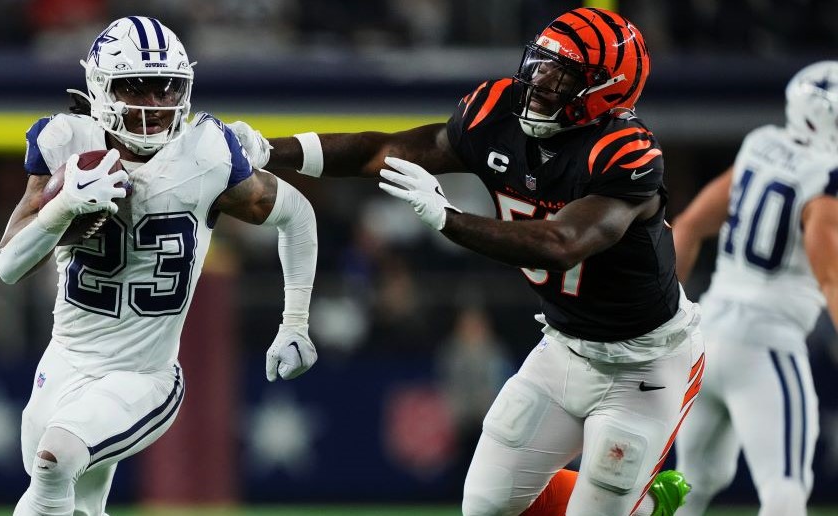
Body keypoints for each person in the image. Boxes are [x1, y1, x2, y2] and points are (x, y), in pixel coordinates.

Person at [231, 7, 698, 516]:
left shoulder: (626, 152)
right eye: (540, 64)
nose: (539, 82)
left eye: (562, 75)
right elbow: (382, 150)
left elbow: (563, 242)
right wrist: (267, 150)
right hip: (565, 346)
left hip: (645, 363)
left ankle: (647, 506)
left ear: (606, 91)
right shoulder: (497, 111)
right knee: (486, 505)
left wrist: (447, 219)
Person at [0, 17, 320, 516]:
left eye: (167, 88)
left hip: (143, 375)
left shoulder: (207, 154)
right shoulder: (66, 143)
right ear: (101, 88)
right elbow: (8, 265)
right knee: (78, 505)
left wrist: (295, 321)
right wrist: (64, 208)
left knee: (54, 461)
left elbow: (296, 213)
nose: (153, 104)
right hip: (63, 362)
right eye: (135, 87)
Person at [670, 61, 838, 516]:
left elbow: (686, 226)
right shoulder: (824, 179)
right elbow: (831, 278)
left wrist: (656, 321)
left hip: (706, 338)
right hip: (767, 343)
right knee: (785, 489)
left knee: (689, 485)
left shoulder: (760, 144)